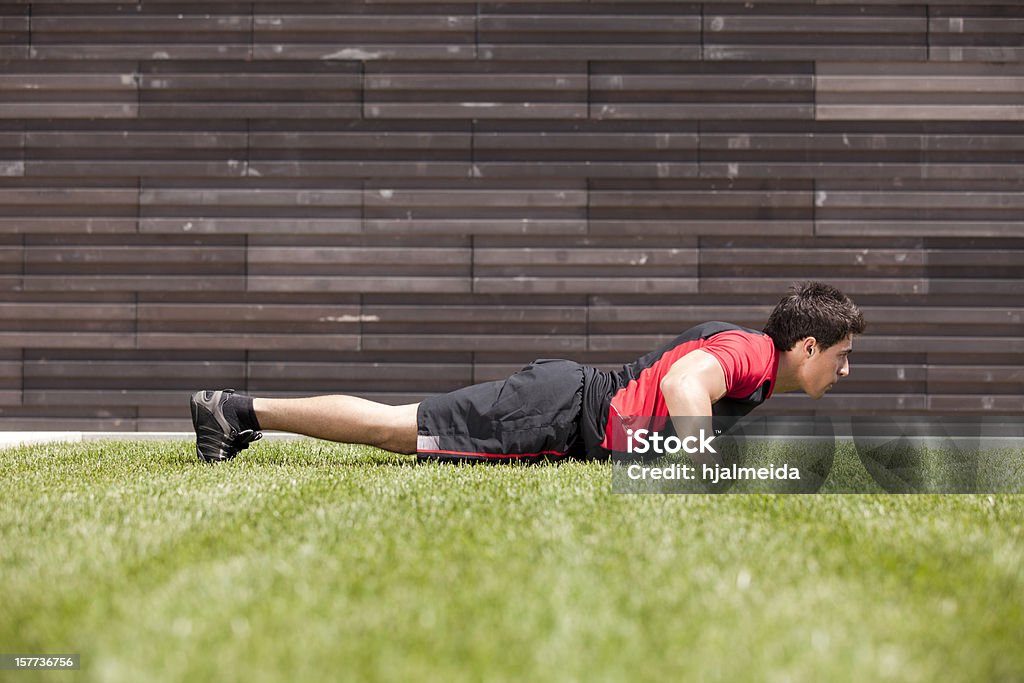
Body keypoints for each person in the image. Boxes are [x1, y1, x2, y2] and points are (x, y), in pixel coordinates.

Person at [190, 281, 865, 464]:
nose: (845, 368)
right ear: (806, 345)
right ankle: (236, 409)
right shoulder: (750, 355)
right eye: (841, 355)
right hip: (560, 409)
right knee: (397, 429)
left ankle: (241, 411)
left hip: (566, 407)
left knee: (399, 426)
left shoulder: (758, 368)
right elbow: (681, 384)